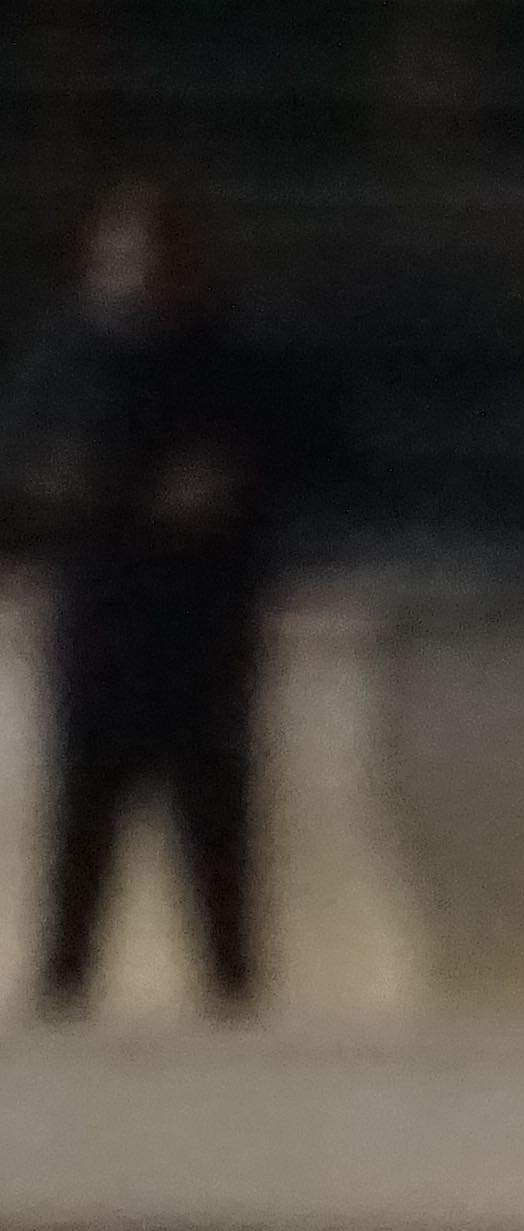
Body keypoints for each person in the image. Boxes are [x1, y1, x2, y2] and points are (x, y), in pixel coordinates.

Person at [9, 183, 318, 1017]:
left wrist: (229, 487)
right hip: (99, 623)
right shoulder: (66, 359)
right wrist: (58, 488)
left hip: (203, 625)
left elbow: (308, 460)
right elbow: (26, 463)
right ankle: (65, 975)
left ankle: (231, 978)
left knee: (214, 815)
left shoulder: (240, 363)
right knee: (84, 816)